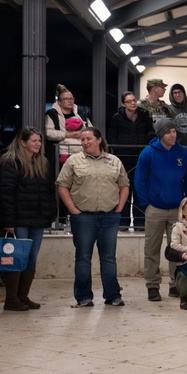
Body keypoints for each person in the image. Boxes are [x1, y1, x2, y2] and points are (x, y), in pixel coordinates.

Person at [55, 127, 129, 307]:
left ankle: (113, 295)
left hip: (110, 218)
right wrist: (73, 210)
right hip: (83, 218)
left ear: (98, 140)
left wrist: (118, 209)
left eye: (88, 139)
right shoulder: (73, 161)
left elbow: (124, 185)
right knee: (83, 257)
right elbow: (62, 185)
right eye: (82, 140)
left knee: (109, 258)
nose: (85, 142)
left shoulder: (114, 161)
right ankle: (83, 297)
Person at [134, 120, 187, 301]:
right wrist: (147, 205)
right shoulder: (148, 153)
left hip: (178, 210)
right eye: (169, 132)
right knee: (151, 249)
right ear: (160, 134)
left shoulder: (183, 153)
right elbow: (139, 181)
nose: (173, 134)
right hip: (155, 209)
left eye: (174, 131)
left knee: (178, 249)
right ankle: (152, 286)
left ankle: (175, 284)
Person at [0, 127, 56, 311]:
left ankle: (23, 296)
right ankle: (11, 299)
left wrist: (51, 212)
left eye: (39, 141)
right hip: (18, 219)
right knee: (17, 257)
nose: (38, 144)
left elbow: (49, 191)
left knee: (31, 257)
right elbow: (6, 193)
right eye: (34, 141)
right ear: (23, 142)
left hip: (37, 219)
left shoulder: (43, 163)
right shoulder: (10, 162)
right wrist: (8, 221)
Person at [107, 91, 154, 231]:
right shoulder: (117, 118)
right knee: (124, 190)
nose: (133, 103)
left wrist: (147, 149)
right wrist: (117, 152)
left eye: (134, 100)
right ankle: (123, 222)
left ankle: (140, 223)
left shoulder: (145, 115)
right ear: (123, 104)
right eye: (129, 101)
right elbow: (112, 137)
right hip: (123, 159)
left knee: (140, 190)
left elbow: (150, 133)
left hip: (141, 158)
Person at [45, 84, 92, 164]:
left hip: (82, 156)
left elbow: (91, 130)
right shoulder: (52, 114)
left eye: (71, 99)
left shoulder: (80, 114)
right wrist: (67, 135)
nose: (69, 101)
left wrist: (84, 135)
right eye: (65, 99)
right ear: (59, 102)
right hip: (60, 157)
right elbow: (48, 133)